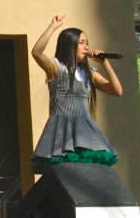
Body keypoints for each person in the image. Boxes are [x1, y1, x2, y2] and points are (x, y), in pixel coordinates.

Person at [29, 15, 122, 173]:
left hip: (85, 130)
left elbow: (117, 90)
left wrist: (104, 62)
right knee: (65, 169)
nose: (86, 47)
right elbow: (37, 53)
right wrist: (52, 27)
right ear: (69, 46)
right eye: (81, 43)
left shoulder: (89, 72)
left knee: (86, 170)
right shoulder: (56, 68)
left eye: (87, 43)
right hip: (61, 129)